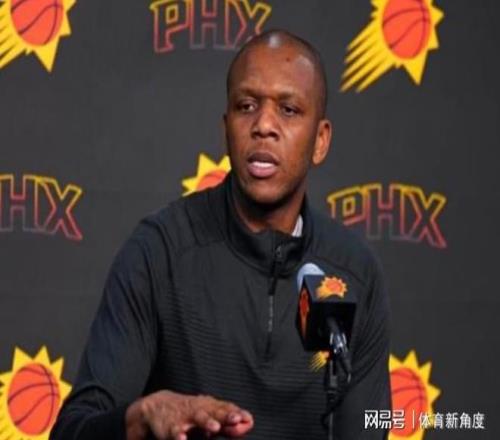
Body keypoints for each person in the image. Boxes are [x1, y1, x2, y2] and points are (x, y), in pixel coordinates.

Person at [51, 29, 391, 440]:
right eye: (247, 106)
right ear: (226, 129)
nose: (263, 125)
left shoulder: (354, 272)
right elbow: (72, 431)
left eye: (288, 110)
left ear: (320, 141)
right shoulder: (159, 252)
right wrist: (141, 417)